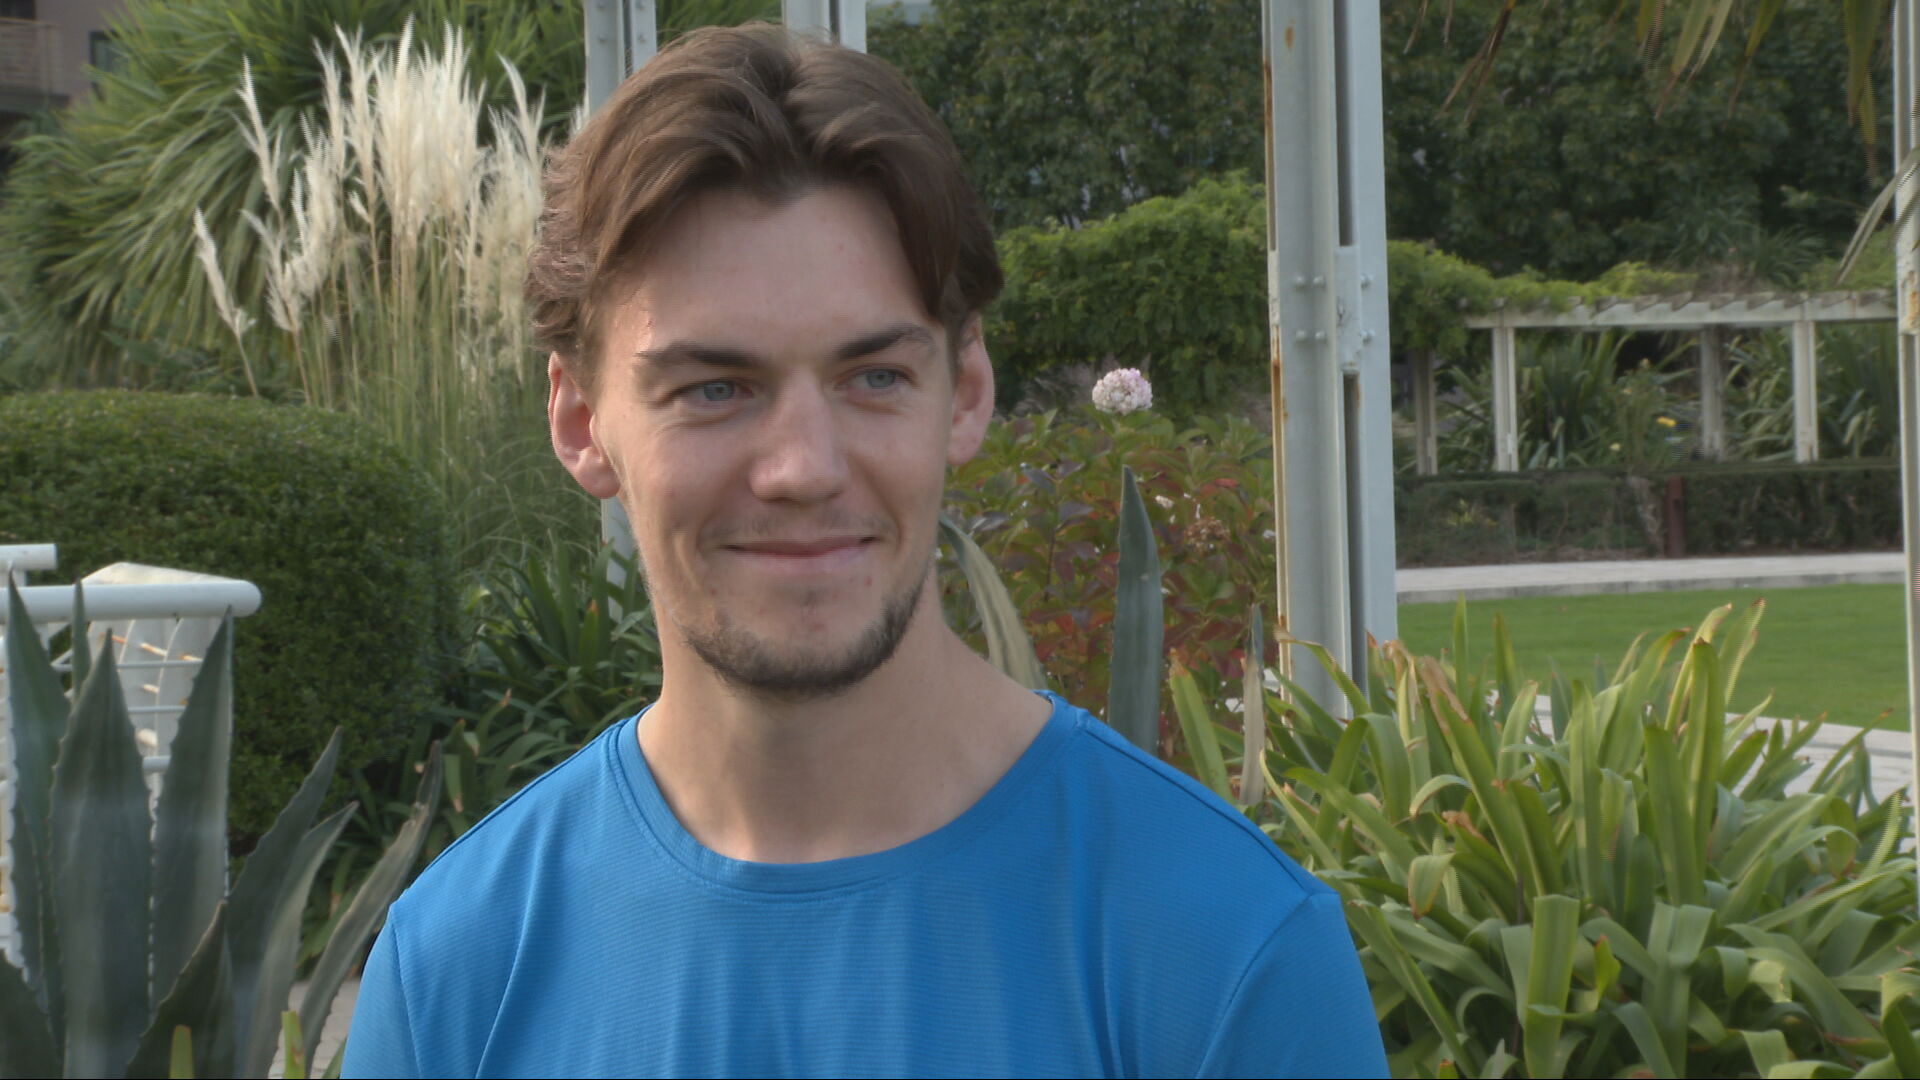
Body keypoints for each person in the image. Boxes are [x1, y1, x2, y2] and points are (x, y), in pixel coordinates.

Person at [342, 23, 1387, 1079]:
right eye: (715, 388)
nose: (804, 467)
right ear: (581, 420)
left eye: (874, 377)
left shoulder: (1226, 952)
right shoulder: (456, 976)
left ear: (964, 393)